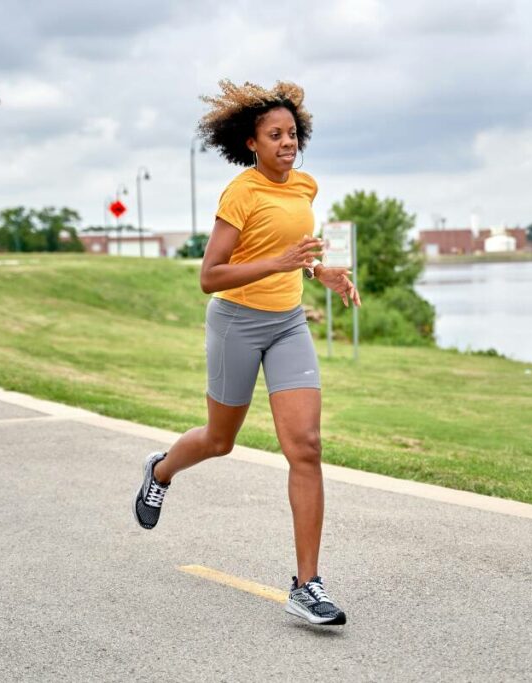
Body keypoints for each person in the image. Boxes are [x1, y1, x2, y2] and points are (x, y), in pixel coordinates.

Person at [132, 80, 360, 626]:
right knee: (220, 440)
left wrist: (314, 269)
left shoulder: (305, 187)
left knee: (305, 446)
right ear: (252, 143)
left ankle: (307, 585)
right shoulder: (241, 193)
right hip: (236, 321)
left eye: (292, 133)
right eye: (274, 135)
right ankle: (161, 471)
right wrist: (280, 263)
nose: (287, 143)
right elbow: (210, 276)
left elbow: (288, 253)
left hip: (287, 324)